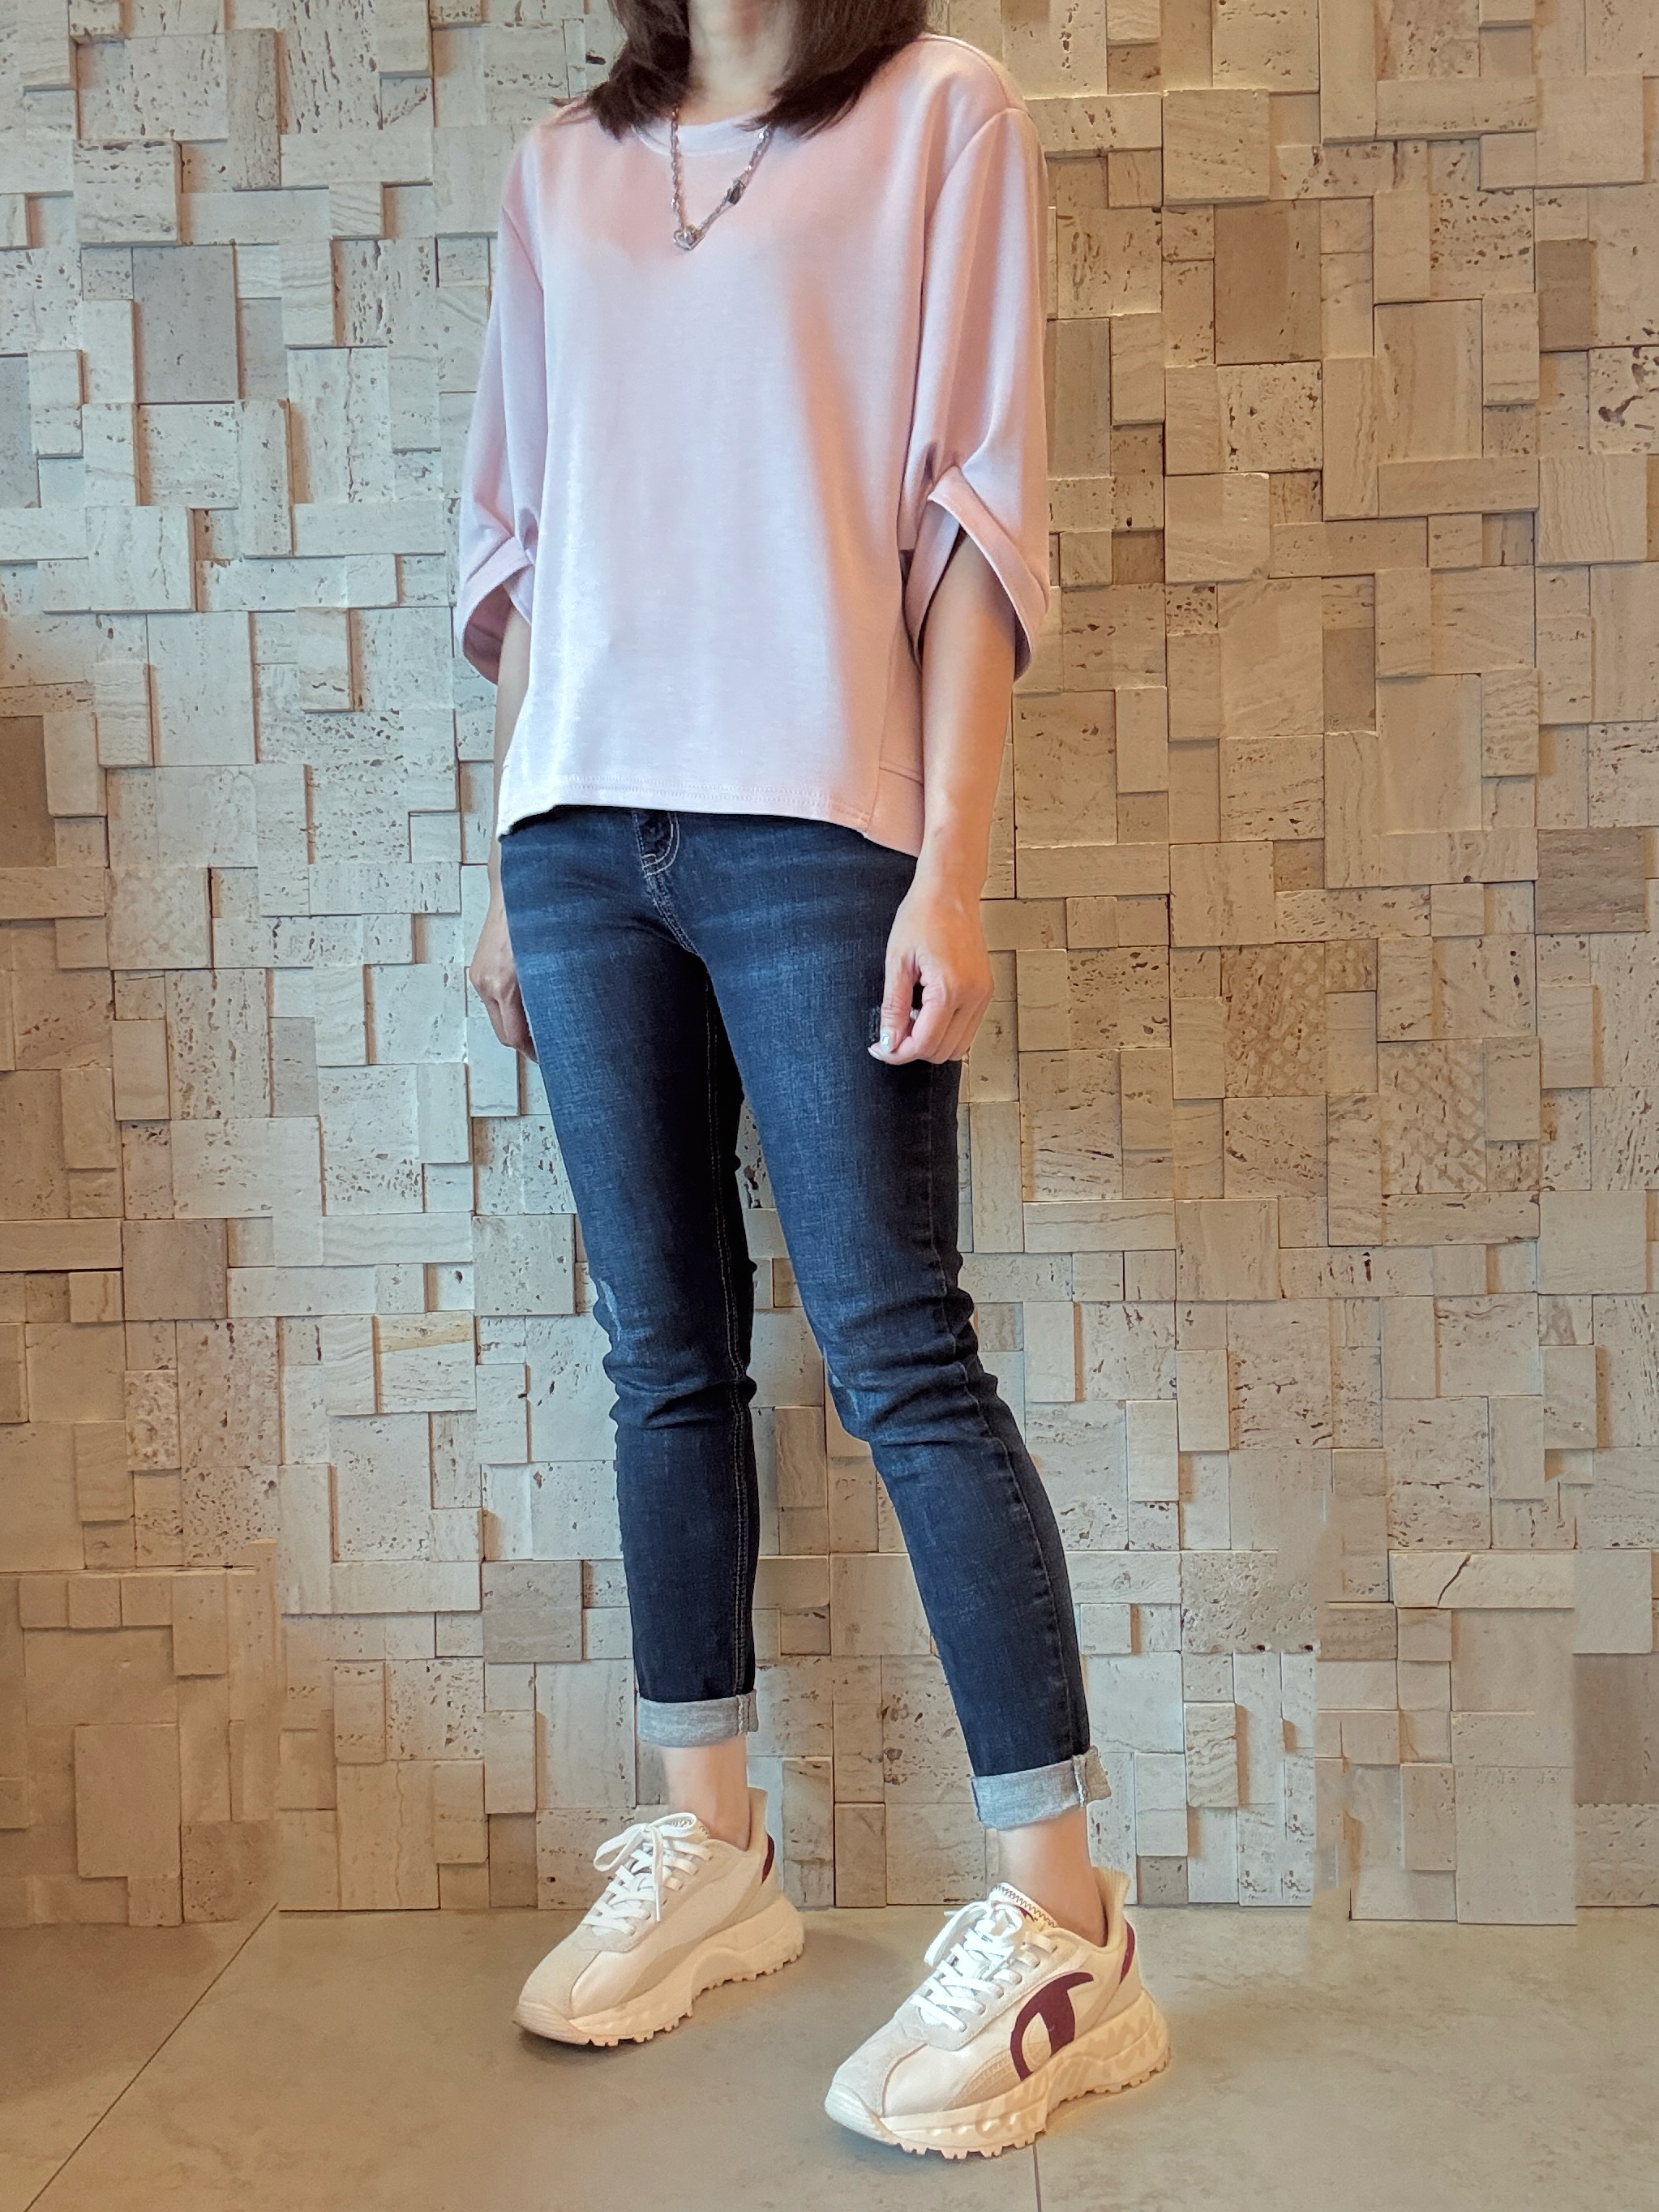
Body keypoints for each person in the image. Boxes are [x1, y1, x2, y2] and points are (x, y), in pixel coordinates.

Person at [459, 0, 1169, 2160]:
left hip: (817, 825)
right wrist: (501, 851)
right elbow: (530, 536)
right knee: (660, 1350)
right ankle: (714, 1844)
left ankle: (1071, 1929)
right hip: (578, 830)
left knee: (896, 1352)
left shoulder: (942, 114)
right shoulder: (562, 168)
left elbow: (973, 518)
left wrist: (951, 861)